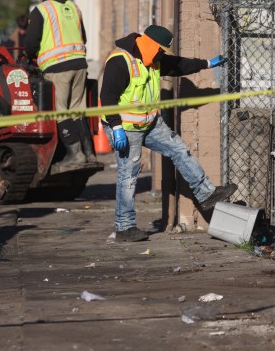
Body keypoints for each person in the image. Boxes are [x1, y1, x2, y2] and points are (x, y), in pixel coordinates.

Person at [100, 24, 236, 242]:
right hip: (125, 128)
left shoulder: (153, 59)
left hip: (150, 124)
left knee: (179, 149)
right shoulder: (120, 61)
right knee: (128, 175)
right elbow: (107, 97)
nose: (162, 55)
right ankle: (125, 228)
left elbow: (179, 64)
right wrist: (116, 127)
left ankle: (206, 193)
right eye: (161, 50)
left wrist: (207, 63)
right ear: (150, 44)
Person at [25, 0, 95, 167]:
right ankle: (89, 154)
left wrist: (30, 55)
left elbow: (31, 43)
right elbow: (84, 37)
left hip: (57, 66)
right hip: (80, 63)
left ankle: (75, 155)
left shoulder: (42, 10)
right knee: (78, 109)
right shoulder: (74, 8)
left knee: (59, 110)